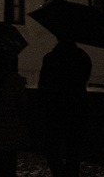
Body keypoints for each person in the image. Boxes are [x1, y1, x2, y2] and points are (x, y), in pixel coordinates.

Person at [37, 37, 91, 177]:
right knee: (73, 151)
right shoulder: (83, 57)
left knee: (52, 148)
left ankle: (60, 174)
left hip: (54, 111)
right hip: (76, 110)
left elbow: (43, 86)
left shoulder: (50, 58)